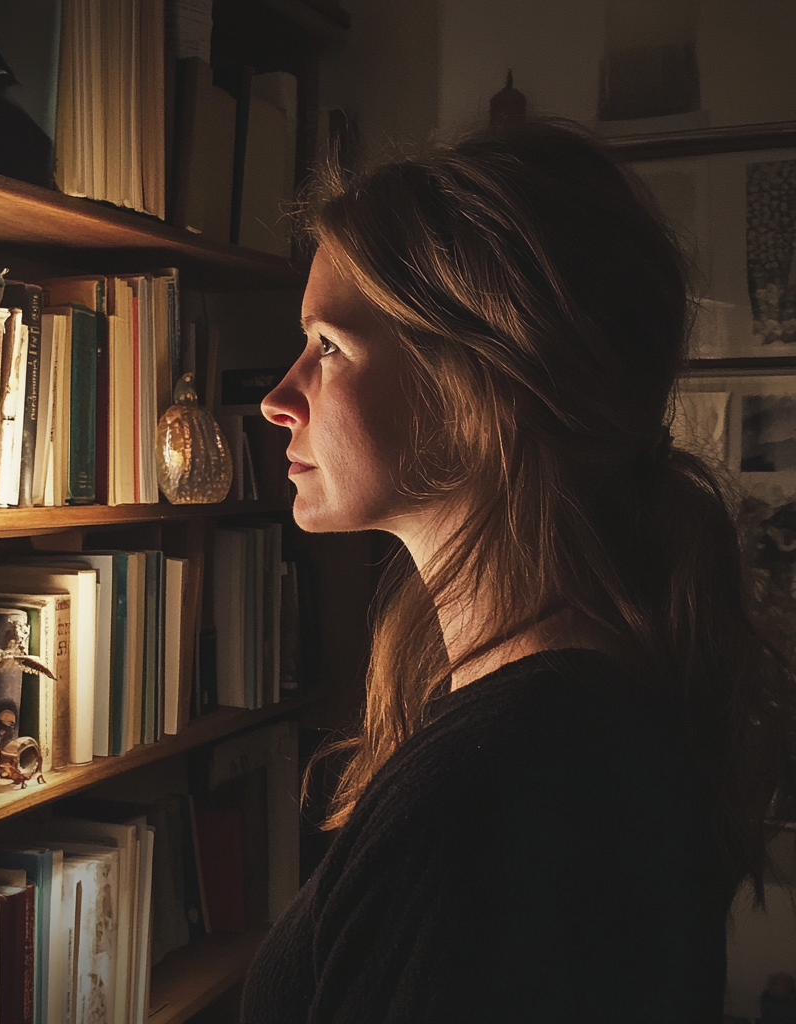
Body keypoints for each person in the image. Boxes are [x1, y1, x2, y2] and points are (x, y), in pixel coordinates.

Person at [240, 119, 796, 1023]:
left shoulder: (501, 790)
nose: (277, 398)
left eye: (329, 346)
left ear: (480, 382)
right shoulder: (565, 719)